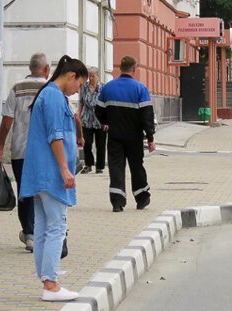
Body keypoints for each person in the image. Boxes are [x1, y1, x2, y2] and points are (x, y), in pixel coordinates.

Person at [19, 55, 87, 302]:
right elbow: (55, 136)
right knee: (56, 226)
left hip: (40, 172)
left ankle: (48, 275)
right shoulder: (55, 97)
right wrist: (65, 169)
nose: (76, 90)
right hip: (51, 173)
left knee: (43, 227)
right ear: (71, 76)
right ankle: (51, 283)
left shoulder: (47, 94)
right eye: (78, 85)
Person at [0, 52, 50, 252]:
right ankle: (40, 232)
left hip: (20, 150)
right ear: (46, 69)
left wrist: (0, 148)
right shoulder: (51, 88)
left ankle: (30, 233)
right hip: (45, 151)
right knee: (42, 191)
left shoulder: (17, 88)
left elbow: (7, 121)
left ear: (30, 68)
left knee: (25, 191)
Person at [95, 56, 156, 213]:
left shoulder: (108, 88)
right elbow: (147, 116)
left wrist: (105, 123)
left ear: (120, 68)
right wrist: (150, 137)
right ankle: (142, 198)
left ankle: (117, 202)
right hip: (134, 137)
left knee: (116, 168)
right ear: (134, 69)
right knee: (136, 167)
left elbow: (98, 111)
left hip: (114, 135)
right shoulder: (140, 89)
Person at [77, 67, 105, 174]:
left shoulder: (103, 88)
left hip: (100, 119)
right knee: (87, 143)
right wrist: (78, 116)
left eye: (93, 76)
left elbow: (106, 104)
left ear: (98, 76)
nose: (91, 78)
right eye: (89, 76)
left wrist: (107, 121)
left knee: (100, 144)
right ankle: (88, 165)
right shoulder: (84, 87)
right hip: (87, 119)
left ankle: (99, 167)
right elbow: (81, 102)